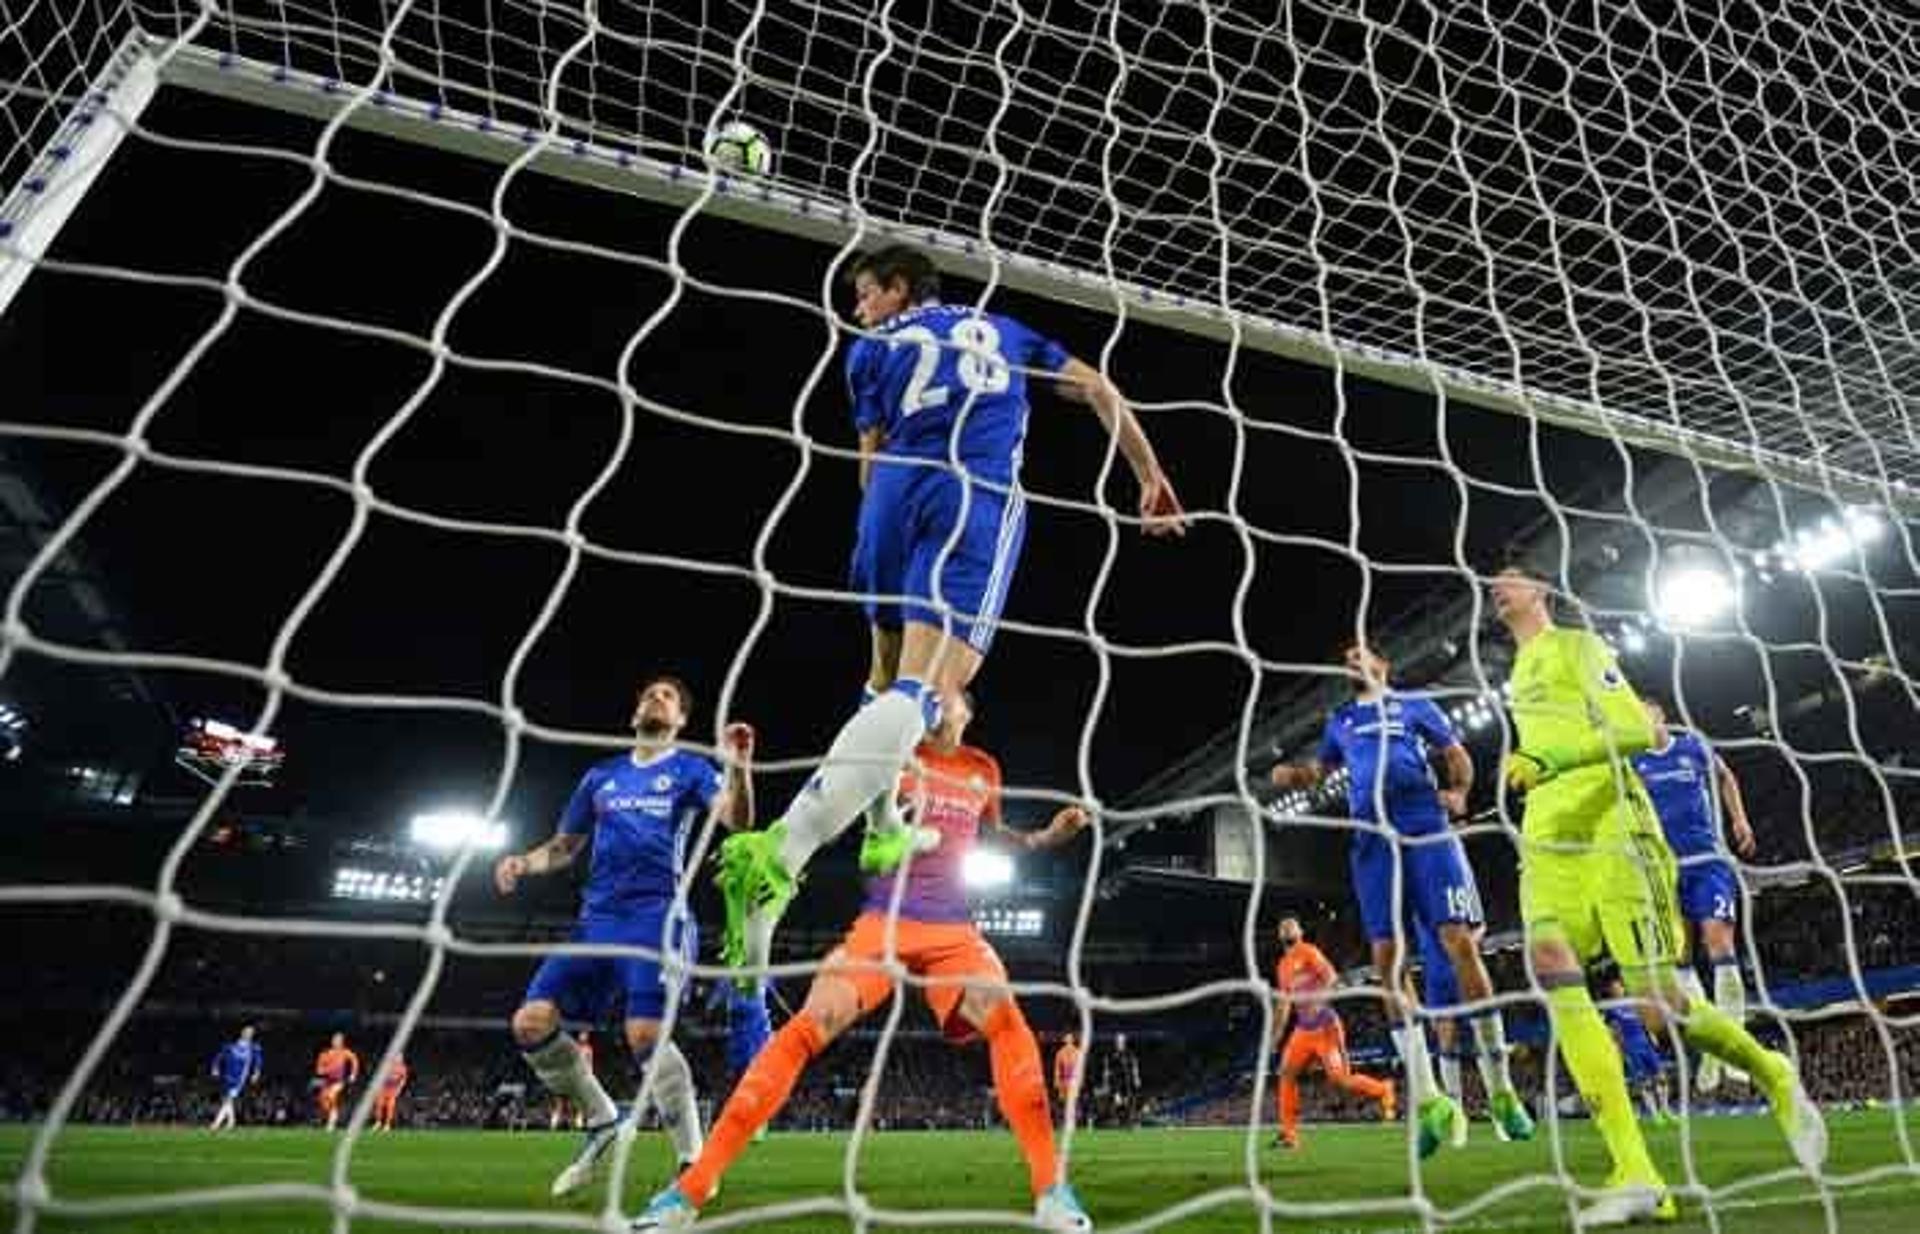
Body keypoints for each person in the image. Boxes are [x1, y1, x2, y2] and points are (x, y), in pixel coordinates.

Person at [716, 244, 1185, 977]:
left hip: (890, 495)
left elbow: (868, 459)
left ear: (899, 291)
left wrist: (879, 533)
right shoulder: (1008, 332)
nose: (858, 308)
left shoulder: (870, 348)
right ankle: (783, 847)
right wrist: (1149, 476)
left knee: (882, 681)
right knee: (934, 692)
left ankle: (880, 828)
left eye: (864, 294)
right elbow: (1100, 390)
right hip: (973, 495)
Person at [633, 691, 1096, 1231]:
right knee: (811, 1024)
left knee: (1002, 1015)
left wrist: (1048, 837)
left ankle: (1051, 1191)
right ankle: (690, 1190)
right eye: (932, 693)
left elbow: (1002, 837)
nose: (937, 700)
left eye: (949, 696)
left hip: (953, 928)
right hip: (885, 922)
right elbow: (844, 803)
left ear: (968, 711)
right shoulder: (894, 744)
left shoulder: (982, 768)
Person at [1491, 564, 1823, 1224]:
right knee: (1551, 971)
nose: (1496, 588)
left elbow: (1641, 731)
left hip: (1615, 829)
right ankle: (1637, 1171)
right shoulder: (1517, 677)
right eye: (1491, 582)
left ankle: (1770, 1070)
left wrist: (1553, 762)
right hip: (1549, 840)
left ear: (1542, 592)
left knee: (1658, 1005)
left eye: (1509, 579)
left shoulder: (1579, 647)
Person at [495, 676, 754, 1198]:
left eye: (667, 696)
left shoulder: (690, 770)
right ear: (634, 711)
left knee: (644, 1035)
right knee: (530, 1023)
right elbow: (565, 846)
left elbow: (737, 819)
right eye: (648, 694)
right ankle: (601, 1118)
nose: (654, 699)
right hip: (596, 921)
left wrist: (742, 765)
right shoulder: (601, 777)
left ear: (681, 720)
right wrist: (524, 861)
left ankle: (692, 1162)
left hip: (659, 917)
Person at [1269, 641, 1532, 1154]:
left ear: (1383, 665)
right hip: (1371, 838)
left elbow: (1455, 756)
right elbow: (1319, 774)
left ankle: (1501, 1090)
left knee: (1460, 941)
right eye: (1343, 658)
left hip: (1424, 825)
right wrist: (1291, 775)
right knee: (1387, 962)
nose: (1350, 662)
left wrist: (1458, 793)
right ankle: (1430, 1101)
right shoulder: (1340, 720)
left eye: (1359, 655)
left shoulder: (1416, 705)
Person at [1632, 699, 1758, 1093]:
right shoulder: (1632, 763)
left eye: (1644, 712)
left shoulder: (1692, 747)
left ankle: (1735, 1051)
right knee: (1681, 960)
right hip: (1664, 872)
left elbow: (1725, 776)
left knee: (1719, 941)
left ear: (1660, 715)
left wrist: (1739, 818)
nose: (1639, 719)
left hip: (1708, 862)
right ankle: (1711, 1050)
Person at [1270, 917, 1395, 1151]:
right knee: (1286, 1074)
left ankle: (1383, 1089)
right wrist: (1275, 1038)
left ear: (1301, 931)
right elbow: (1284, 1004)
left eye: (1292, 924)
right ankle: (1289, 1135)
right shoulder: (1282, 966)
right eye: (1283, 926)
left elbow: (1331, 978)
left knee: (1340, 1080)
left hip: (1325, 1027)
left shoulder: (1309, 951)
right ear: (1279, 936)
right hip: (1302, 1031)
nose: (1287, 927)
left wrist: (1320, 1000)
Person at [1600, 976, 1676, 1129]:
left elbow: (1644, 1021)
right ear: (1611, 991)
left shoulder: (1633, 1004)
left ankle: (1666, 1109)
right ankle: (1655, 1116)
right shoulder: (1612, 1009)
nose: (1618, 990)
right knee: (1644, 1082)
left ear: (1623, 988)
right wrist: (1615, 1041)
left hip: (1646, 1044)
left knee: (1661, 1076)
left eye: (1619, 987)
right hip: (1631, 1047)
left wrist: (1652, 1035)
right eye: (1614, 988)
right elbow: (1604, 1026)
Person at [208, 1025, 262, 1132]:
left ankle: (216, 1124)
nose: (249, 1034)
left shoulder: (254, 1047)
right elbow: (219, 1056)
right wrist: (215, 1067)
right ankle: (231, 1123)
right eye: (247, 1032)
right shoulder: (231, 1046)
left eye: (251, 1033)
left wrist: (256, 1073)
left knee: (228, 1099)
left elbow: (258, 1061)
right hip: (227, 1076)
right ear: (242, 1032)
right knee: (227, 1100)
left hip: (240, 1078)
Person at [550, 1031, 596, 1131]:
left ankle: (576, 1123)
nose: (583, 1038)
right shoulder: (575, 1048)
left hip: (578, 1078)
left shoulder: (587, 1049)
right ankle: (557, 1123)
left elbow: (589, 1064)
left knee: (578, 1103)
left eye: (585, 1036)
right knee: (562, 1103)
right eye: (582, 1036)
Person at [313, 1032, 359, 1132]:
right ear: (332, 1041)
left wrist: (353, 1074)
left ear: (342, 1042)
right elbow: (318, 1069)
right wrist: (326, 1070)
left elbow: (354, 1060)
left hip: (339, 1081)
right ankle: (332, 1115)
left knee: (331, 1096)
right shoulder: (325, 1053)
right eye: (335, 1040)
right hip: (327, 1082)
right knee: (323, 1102)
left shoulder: (345, 1052)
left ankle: (332, 1122)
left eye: (339, 1040)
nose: (337, 1042)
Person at [373, 1055, 409, 1132]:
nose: (398, 1059)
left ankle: (387, 1125)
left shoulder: (402, 1068)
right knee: (379, 1105)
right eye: (397, 1058)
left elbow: (403, 1079)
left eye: (399, 1058)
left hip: (393, 1090)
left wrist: (399, 1089)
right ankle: (378, 1122)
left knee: (390, 1107)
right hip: (383, 1088)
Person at [1053, 1033, 1084, 1109]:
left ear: (1073, 1040)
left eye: (1070, 1038)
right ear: (1064, 1040)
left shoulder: (1077, 1053)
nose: (1068, 1040)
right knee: (1064, 1101)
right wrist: (1057, 1080)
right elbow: (1057, 1068)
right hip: (1064, 1079)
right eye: (1067, 1038)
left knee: (1074, 1100)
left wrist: (1080, 1080)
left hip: (1074, 1079)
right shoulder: (1060, 1053)